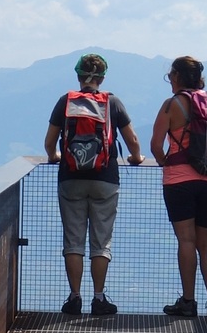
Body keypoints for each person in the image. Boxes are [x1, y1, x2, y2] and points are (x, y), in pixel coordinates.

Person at [45, 52, 143, 317]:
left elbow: (49, 142)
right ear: (102, 77)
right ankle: (99, 299)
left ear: (78, 76)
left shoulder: (66, 101)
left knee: (73, 241)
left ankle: (74, 298)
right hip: (105, 179)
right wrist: (135, 157)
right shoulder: (113, 102)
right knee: (101, 243)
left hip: (71, 177)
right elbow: (132, 140)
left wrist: (55, 157)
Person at [151, 56, 207, 318]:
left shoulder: (172, 105)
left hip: (179, 180)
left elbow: (156, 145)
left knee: (186, 241)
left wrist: (165, 161)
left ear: (176, 77)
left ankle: (188, 301)